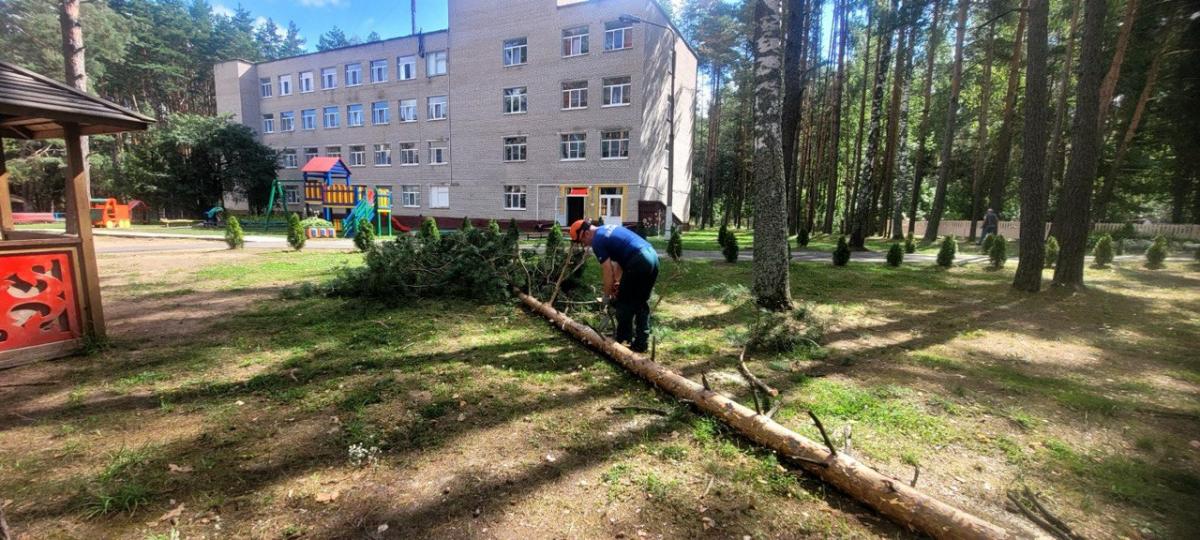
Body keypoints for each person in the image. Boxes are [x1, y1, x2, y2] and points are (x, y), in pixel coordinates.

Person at [569, 219, 659, 353]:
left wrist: (606, 296)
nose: (584, 244)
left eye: (582, 241)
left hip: (638, 260)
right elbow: (619, 263)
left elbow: (607, 271)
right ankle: (641, 342)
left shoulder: (597, 241)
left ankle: (623, 340)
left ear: (586, 233)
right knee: (641, 302)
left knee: (623, 303)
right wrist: (617, 283)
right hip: (652, 257)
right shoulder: (606, 230)